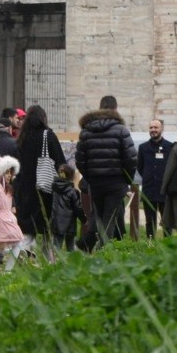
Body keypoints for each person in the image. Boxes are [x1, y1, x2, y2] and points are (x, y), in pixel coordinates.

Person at [74, 95, 138, 246]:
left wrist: (89, 177)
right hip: (116, 182)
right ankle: (104, 251)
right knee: (109, 218)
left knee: (99, 216)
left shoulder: (86, 131)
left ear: (100, 107)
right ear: (115, 109)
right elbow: (131, 158)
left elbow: (80, 160)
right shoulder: (121, 130)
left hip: (95, 183)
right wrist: (126, 180)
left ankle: (88, 245)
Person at [15, 105, 68, 255]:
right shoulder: (48, 135)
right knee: (47, 225)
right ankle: (48, 258)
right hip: (45, 187)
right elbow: (60, 161)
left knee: (28, 226)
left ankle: (23, 252)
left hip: (25, 188)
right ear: (43, 118)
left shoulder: (22, 138)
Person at [132, 117, 172, 239]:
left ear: (162, 129)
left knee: (167, 222)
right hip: (149, 190)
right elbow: (140, 167)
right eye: (151, 127)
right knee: (150, 222)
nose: (153, 130)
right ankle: (150, 244)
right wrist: (148, 176)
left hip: (164, 190)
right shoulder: (143, 148)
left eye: (156, 127)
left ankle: (168, 244)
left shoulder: (170, 147)